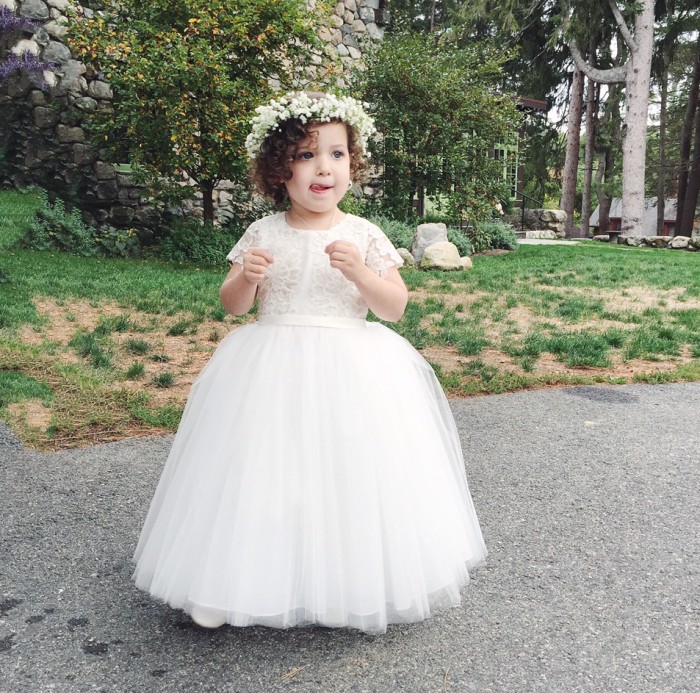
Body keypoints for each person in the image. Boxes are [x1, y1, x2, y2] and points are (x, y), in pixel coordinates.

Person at [132, 92, 487, 634]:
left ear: (353, 164)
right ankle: (227, 585)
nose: (324, 167)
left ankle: (348, 584)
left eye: (338, 154)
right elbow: (233, 306)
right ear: (279, 169)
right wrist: (247, 277)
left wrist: (362, 276)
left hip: (352, 368)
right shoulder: (264, 232)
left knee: (347, 474)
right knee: (257, 471)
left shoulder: (364, 234)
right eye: (305, 154)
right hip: (267, 366)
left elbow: (393, 308)